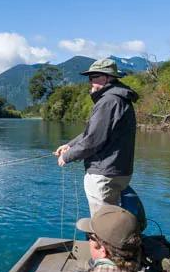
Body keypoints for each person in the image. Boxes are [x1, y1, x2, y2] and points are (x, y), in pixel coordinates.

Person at [54, 58, 138, 216]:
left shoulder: (108, 101)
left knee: (104, 225)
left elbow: (93, 139)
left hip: (104, 173)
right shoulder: (120, 98)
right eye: (89, 78)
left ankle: (103, 241)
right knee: (112, 221)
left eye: (93, 77)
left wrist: (67, 156)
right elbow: (94, 131)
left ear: (107, 78)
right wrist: (70, 145)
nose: (90, 81)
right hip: (119, 171)